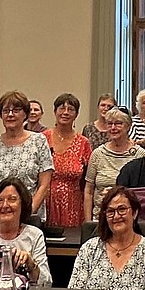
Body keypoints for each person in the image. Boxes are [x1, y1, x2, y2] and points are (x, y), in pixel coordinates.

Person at [69, 186, 145, 290]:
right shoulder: (89, 249)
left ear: (134, 213)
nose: (116, 216)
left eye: (122, 209)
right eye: (110, 211)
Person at [0, 90, 54, 220]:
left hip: (28, 218)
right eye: (6, 111)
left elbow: (44, 185)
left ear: (25, 114)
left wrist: (25, 214)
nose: (10, 115)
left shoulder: (39, 141)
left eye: (16, 110)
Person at [83, 107, 145, 221]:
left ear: (128, 126)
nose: (113, 128)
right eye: (109, 124)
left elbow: (143, 192)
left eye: (118, 123)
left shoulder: (139, 154)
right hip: (100, 218)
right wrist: (88, 222)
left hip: (129, 220)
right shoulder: (97, 154)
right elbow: (88, 191)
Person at [42, 93, 94, 229]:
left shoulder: (83, 143)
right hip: (45, 202)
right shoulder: (42, 139)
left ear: (76, 114)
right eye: (61, 108)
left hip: (73, 204)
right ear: (54, 112)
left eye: (70, 109)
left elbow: (88, 180)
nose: (65, 112)